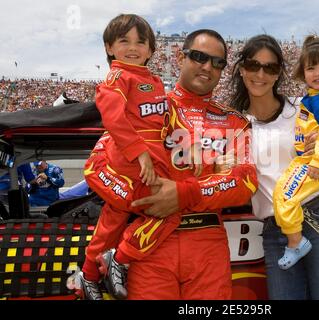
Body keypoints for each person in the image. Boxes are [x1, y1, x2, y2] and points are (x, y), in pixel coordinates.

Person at [116, 29, 258, 300]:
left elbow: (244, 182)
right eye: (199, 57)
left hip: (207, 245)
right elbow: (105, 166)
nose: (208, 67)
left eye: (218, 62)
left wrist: (183, 193)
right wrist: (213, 170)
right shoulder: (145, 109)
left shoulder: (235, 122)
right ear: (181, 57)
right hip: (149, 241)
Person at [229, 34, 319, 299]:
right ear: (242, 69)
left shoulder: (303, 108)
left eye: (271, 67)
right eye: (254, 65)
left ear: (278, 74)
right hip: (276, 226)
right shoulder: (233, 124)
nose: (261, 74)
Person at [77, 13, 181, 300]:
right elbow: (113, 117)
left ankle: (88, 274)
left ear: (150, 50)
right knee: (171, 210)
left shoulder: (154, 81)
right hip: (134, 159)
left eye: (141, 41)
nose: (133, 47)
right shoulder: (119, 75)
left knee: (113, 217)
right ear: (110, 48)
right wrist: (141, 155)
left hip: (151, 158)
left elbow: (161, 122)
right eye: (124, 41)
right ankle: (120, 258)